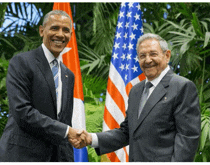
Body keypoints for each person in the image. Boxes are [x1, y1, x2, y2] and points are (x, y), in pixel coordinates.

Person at [72, 33, 201, 162]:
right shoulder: (136, 91)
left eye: (153, 54)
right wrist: (91, 138)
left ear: (167, 56)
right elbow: (127, 132)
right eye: (142, 56)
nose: (148, 60)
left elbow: (187, 138)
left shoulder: (182, 87)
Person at [0, 10, 85, 162]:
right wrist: (66, 131)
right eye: (54, 28)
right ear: (42, 31)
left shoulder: (68, 75)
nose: (60, 34)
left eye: (66, 30)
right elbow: (22, 111)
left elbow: (64, 122)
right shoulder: (22, 62)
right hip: (20, 157)